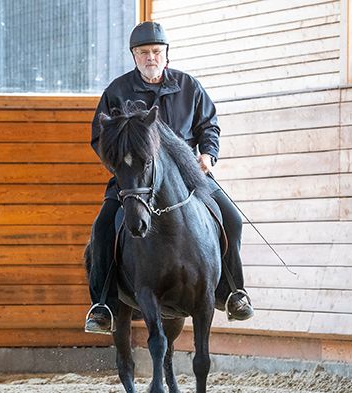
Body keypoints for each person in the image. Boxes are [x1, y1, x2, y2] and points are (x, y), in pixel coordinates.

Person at [85, 21, 253, 334]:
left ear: (166, 54)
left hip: (190, 175)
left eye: (156, 51)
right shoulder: (117, 92)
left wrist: (208, 154)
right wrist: (122, 167)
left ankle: (232, 292)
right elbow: (100, 136)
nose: (151, 57)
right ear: (134, 56)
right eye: (144, 52)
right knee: (103, 226)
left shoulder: (190, 87)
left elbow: (209, 126)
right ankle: (103, 305)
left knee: (232, 219)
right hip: (135, 179)